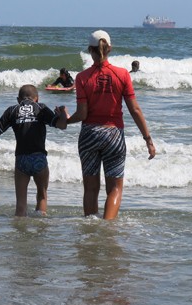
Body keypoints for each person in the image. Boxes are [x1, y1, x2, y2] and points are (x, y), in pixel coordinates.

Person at [67, 30, 156, 220]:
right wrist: (148, 139)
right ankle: (107, 230)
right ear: (110, 49)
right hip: (114, 135)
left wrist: (65, 120)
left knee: (90, 189)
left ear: (90, 50)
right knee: (114, 188)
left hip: (89, 135)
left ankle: (91, 228)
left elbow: (82, 114)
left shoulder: (82, 77)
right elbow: (135, 110)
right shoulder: (123, 74)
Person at [0, 84, 69, 216]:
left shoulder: (12, 110)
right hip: (39, 158)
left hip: (21, 160)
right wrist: (62, 114)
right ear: (36, 99)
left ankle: (20, 231)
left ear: (18, 99)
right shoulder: (41, 108)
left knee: (21, 204)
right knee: (42, 196)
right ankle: (41, 229)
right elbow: (62, 125)